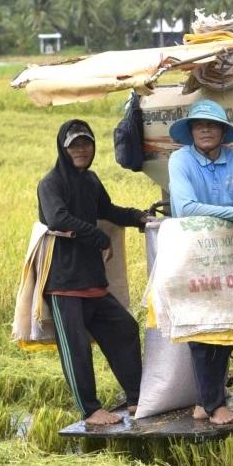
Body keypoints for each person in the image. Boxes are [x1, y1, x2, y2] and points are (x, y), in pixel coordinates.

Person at [36, 119, 148, 427]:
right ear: (63, 148)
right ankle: (90, 411)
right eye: (74, 145)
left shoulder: (91, 181)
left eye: (86, 143)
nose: (81, 150)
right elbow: (58, 219)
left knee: (124, 328)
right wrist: (99, 237)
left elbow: (107, 211)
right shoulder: (50, 184)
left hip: (92, 281)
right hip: (64, 283)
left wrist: (138, 217)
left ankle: (137, 397)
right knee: (76, 349)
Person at [167, 99, 233, 426]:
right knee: (201, 326)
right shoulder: (180, 160)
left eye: (211, 125)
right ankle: (215, 406)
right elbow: (186, 208)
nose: (205, 130)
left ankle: (205, 401)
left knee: (225, 324)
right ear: (191, 131)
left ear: (223, 131)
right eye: (199, 125)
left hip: (229, 257)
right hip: (194, 256)